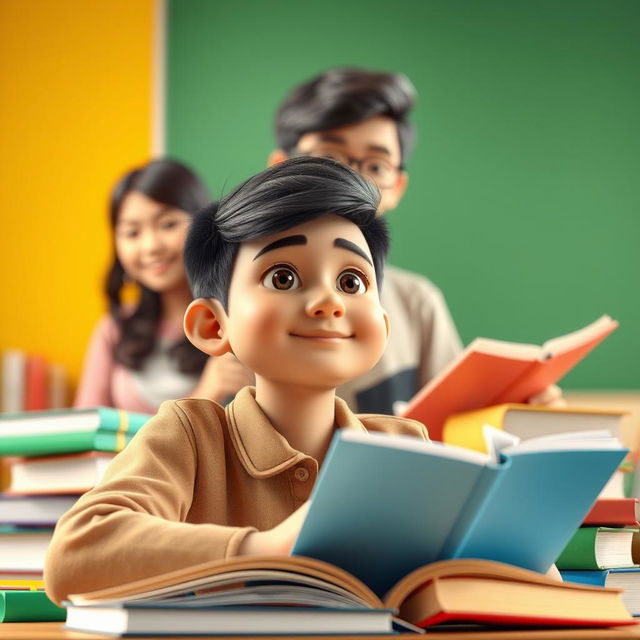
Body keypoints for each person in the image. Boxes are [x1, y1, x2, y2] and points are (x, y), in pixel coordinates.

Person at [44, 157, 430, 603]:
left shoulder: (406, 446)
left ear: (382, 324)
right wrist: (264, 552)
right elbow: (74, 554)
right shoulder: (189, 435)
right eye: (283, 277)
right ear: (213, 326)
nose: (328, 300)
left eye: (351, 281)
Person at [269, 68, 564, 414]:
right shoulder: (234, 292)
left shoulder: (416, 302)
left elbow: (452, 426)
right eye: (329, 158)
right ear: (280, 167)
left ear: (397, 187)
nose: (352, 180)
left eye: (376, 166)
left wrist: (510, 415)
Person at [74, 159, 253, 413]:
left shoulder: (237, 321)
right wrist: (204, 395)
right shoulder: (114, 330)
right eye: (132, 233)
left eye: (168, 224)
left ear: (203, 228)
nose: (151, 246)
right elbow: (85, 435)